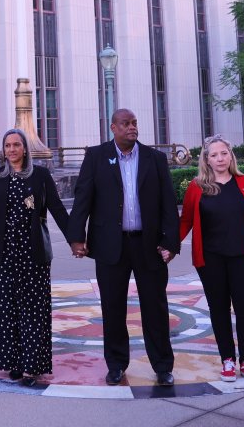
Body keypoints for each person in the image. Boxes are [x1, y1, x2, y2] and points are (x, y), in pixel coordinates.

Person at [67, 109, 180, 387]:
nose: (132, 128)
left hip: (148, 245)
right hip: (110, 246)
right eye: (126, 124)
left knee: (155, 307)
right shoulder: (95, 156)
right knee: (113, 308)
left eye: (135, 123)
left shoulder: (154, 158)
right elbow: (83, 198)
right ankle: (116, 365)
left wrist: (170, 242)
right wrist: (76, 237)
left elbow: (168, 201)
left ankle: (163, 365)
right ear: (113, 127)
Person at [179, 135, 244, 383]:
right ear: (207, 159)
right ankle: (227, 359)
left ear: (230, 155)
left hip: (243, 258)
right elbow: (185, 222)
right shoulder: (196, 187)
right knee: (219, 309)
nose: (220, 158)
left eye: (224, 153)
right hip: (210, 260)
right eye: (214, 155)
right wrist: (168, 247)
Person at [0, 131, 70, 386]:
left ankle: (32, 367)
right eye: (7, 145)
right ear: (3, 150)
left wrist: (76, 239)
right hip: (2, 254)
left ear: (25, 148)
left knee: (33, 311)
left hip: (32, 253)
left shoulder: (40, 176)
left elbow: (57, 208)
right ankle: (14, 363)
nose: (12, 149)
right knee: (5, 311)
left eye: (16, 144)